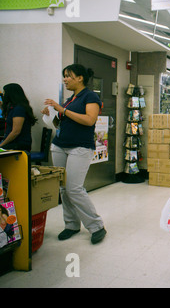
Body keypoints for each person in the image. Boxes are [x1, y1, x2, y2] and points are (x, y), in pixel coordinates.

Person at [41, 64, 106, 245]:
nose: (65, 79)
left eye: (68, 76)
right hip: (60, 145)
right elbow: (60, 124)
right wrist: (50, 115)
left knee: (74, 188)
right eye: (64, 76)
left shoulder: (90, 96)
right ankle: (71, 225)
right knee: (63, 188)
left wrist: (62, 110)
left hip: (80, 147)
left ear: (80, 78)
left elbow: (89, 120)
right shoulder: (70, 99)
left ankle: (96, 226)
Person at [0, 83, 37, 151]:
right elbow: (8, 119)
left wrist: (2, 145)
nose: (3, 95)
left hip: (19, 145)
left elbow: (16, 132)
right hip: (14, 143)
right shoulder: (14, 107)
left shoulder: (19, 109)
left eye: (4, 93)